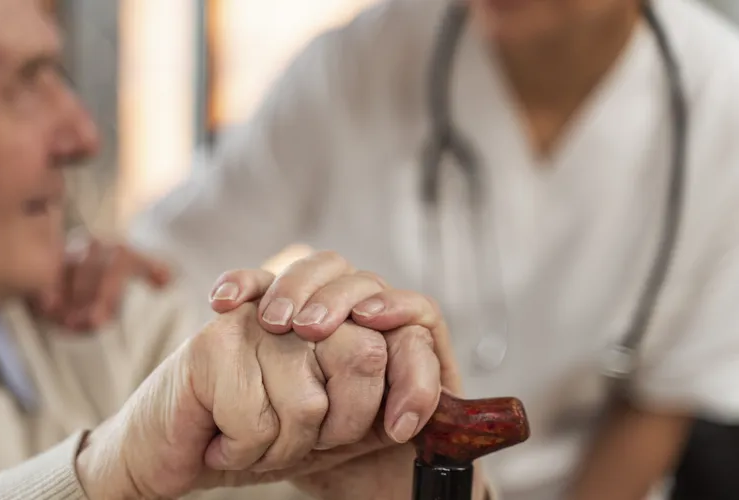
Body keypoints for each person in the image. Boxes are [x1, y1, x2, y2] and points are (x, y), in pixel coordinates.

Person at [0, 1, 471, 499]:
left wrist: (403, 485)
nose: (82, 136)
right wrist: (99, 478)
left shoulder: (127, 335)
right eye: (23, 84)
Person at [112, 0, 739, 498]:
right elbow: (174, 254)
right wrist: (110, 271)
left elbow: (660, 401)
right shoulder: (362, 61)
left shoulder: (720, 101)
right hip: (362, 483)